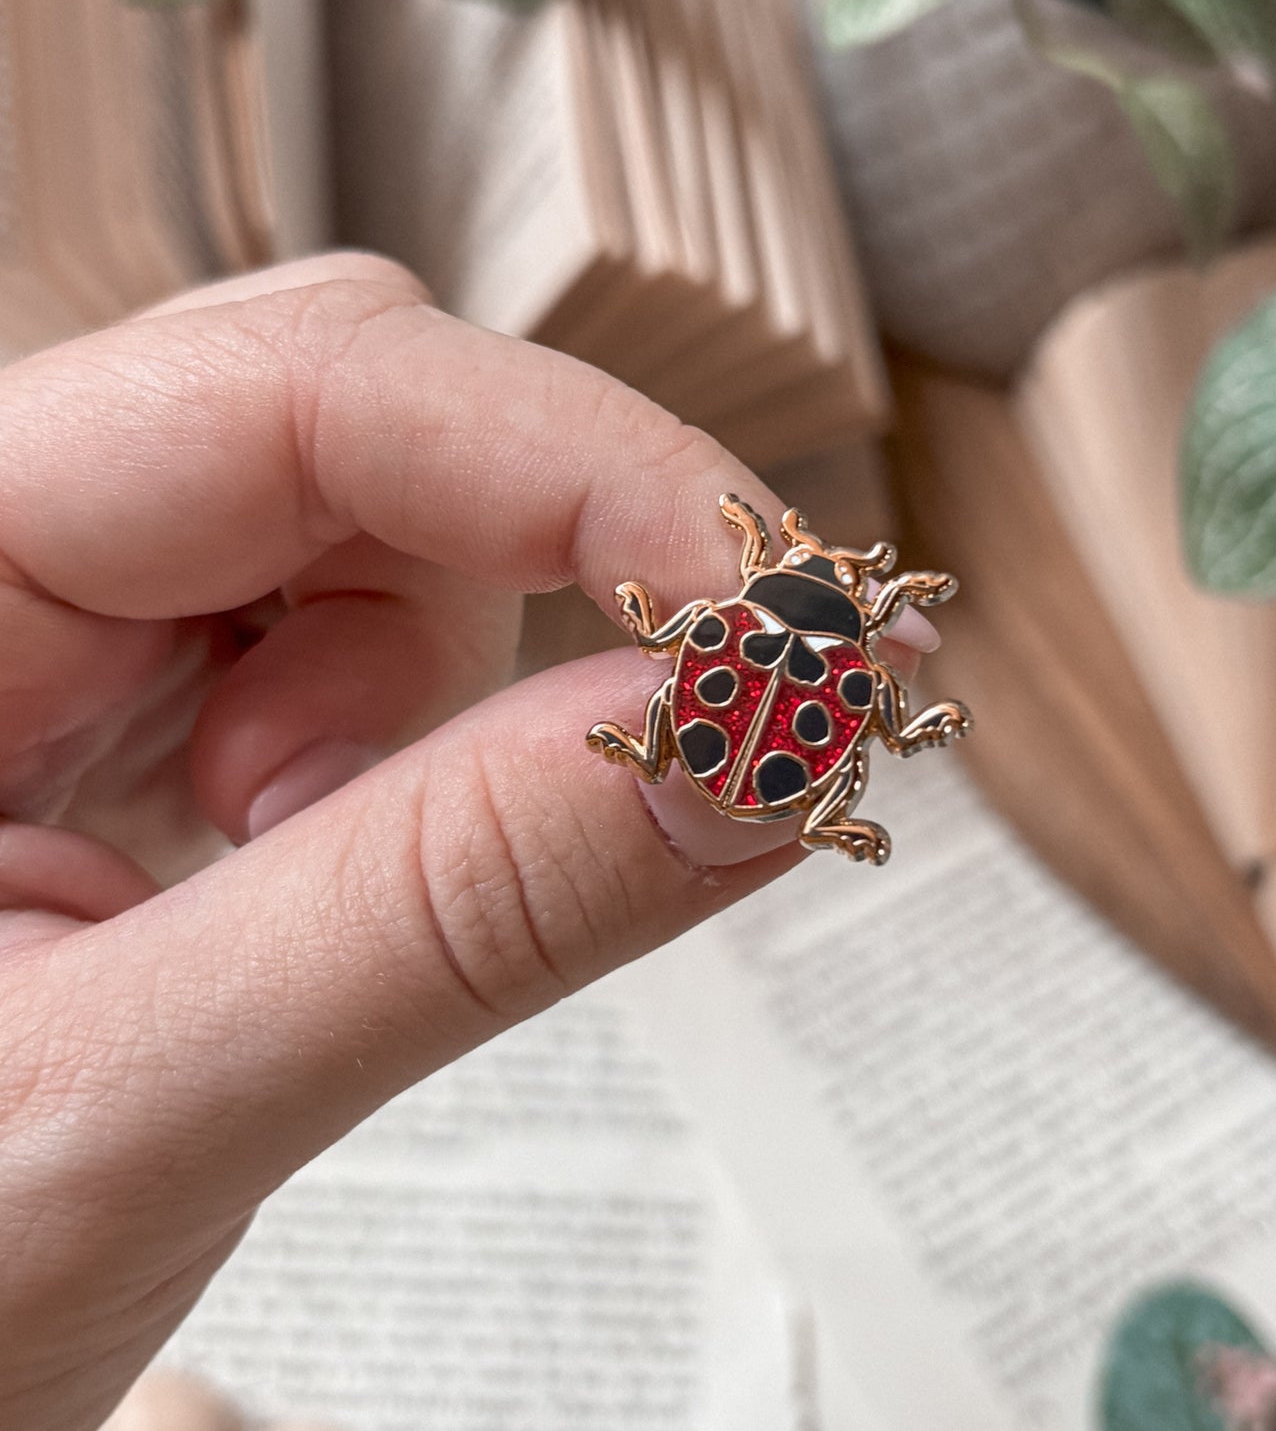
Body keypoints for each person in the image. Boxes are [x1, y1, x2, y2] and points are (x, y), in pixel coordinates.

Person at [0, 254, 934, 1431]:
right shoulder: (818, 661)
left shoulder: (745, 629)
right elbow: (833, 689)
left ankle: (728, 779)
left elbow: (715, 639)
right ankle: (766, 794)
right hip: (759, 753)